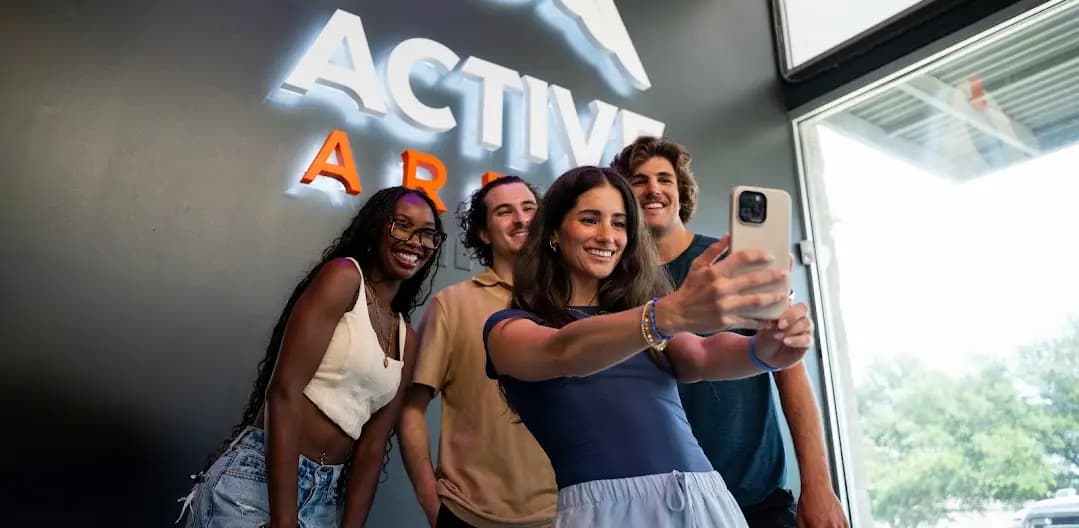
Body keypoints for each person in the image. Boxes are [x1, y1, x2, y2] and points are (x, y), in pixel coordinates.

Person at [483, 166, 814, 527]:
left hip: (703, 499)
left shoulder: (645, 320)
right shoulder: (508, 329)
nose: (608, 236)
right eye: (590, 219)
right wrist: (666, 315)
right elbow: (563, 351)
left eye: (620, 223)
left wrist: (766, 351)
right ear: (553, 233)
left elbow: (703, 355)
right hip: (608, 514)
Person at [611, 136, 849, 528]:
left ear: (680, 192)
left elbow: (790, 372)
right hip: (665, 505)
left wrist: (819, 486)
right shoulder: (616, 285)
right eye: (639, 180)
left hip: (756, 498)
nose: (653, 188)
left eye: (664, 179)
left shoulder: (732, 264)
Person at [178, 186, 445, 528]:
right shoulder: (344, 278)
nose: (415, 241)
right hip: (257, 482)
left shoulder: (407, 339)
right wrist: (284, 519)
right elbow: (284, 391)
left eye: (427, 234)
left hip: (323, 498)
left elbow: (372, 449)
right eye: (403, 225)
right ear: (377, 226)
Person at [400, 176, 557, 528]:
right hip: (469, 514)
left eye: (529, 208)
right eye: (505, 211)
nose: (521, 219)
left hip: (566, 514)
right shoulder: (451, 305)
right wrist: (431, 500)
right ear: (484, 233)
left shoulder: (570, 302)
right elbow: (411, 409)